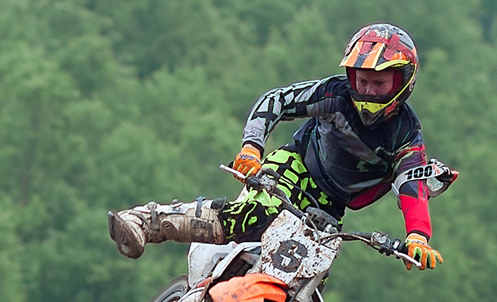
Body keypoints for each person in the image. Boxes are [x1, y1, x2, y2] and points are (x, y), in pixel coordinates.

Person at [106, 23, 457, 269]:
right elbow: (276, 101)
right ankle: (145, 221)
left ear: (403, 82)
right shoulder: (334, 94)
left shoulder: (406, 135)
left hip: (332, 209)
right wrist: (251, 147)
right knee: (250, 216)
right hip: (295, 168)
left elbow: (412, 185)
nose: (367, 90)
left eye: (378, 83)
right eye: (362, 80)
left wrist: (418, 237)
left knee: (308, 280)